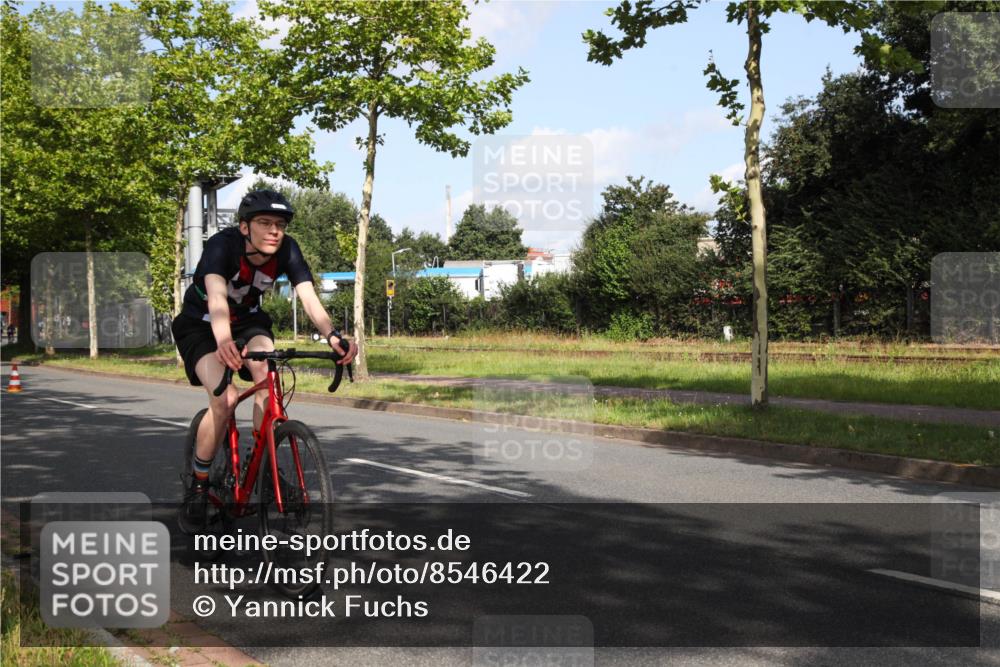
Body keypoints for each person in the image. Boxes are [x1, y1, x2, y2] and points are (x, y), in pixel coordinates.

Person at [172, 189, 357, 533]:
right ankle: (199, 483)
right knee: (225, 399)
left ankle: (264, 465)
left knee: (268, 378)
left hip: (248, 322)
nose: (274, 231)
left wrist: (333, 336)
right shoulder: (222, 246)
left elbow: (309, 298)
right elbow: (216, 298)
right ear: (244, 227)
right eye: (265, 223)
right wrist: (224, 341)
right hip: (201, 325)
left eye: (280, 225)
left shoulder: (287, 249)